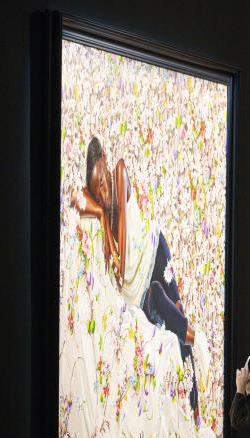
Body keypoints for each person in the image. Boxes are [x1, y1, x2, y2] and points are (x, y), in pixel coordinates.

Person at [71, 136, 208, 419]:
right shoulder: (98, 201)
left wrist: (109, 230)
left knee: (178, 322)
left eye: (102, 180)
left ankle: (195, 407)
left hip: (155, 253)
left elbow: (121, 235)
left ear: (106, 164)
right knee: (169, 326)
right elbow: (75, 196)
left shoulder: (119, 170)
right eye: (97, 187)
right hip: (140, 287)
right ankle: (191, 400)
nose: (102, 190)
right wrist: (98, 215)